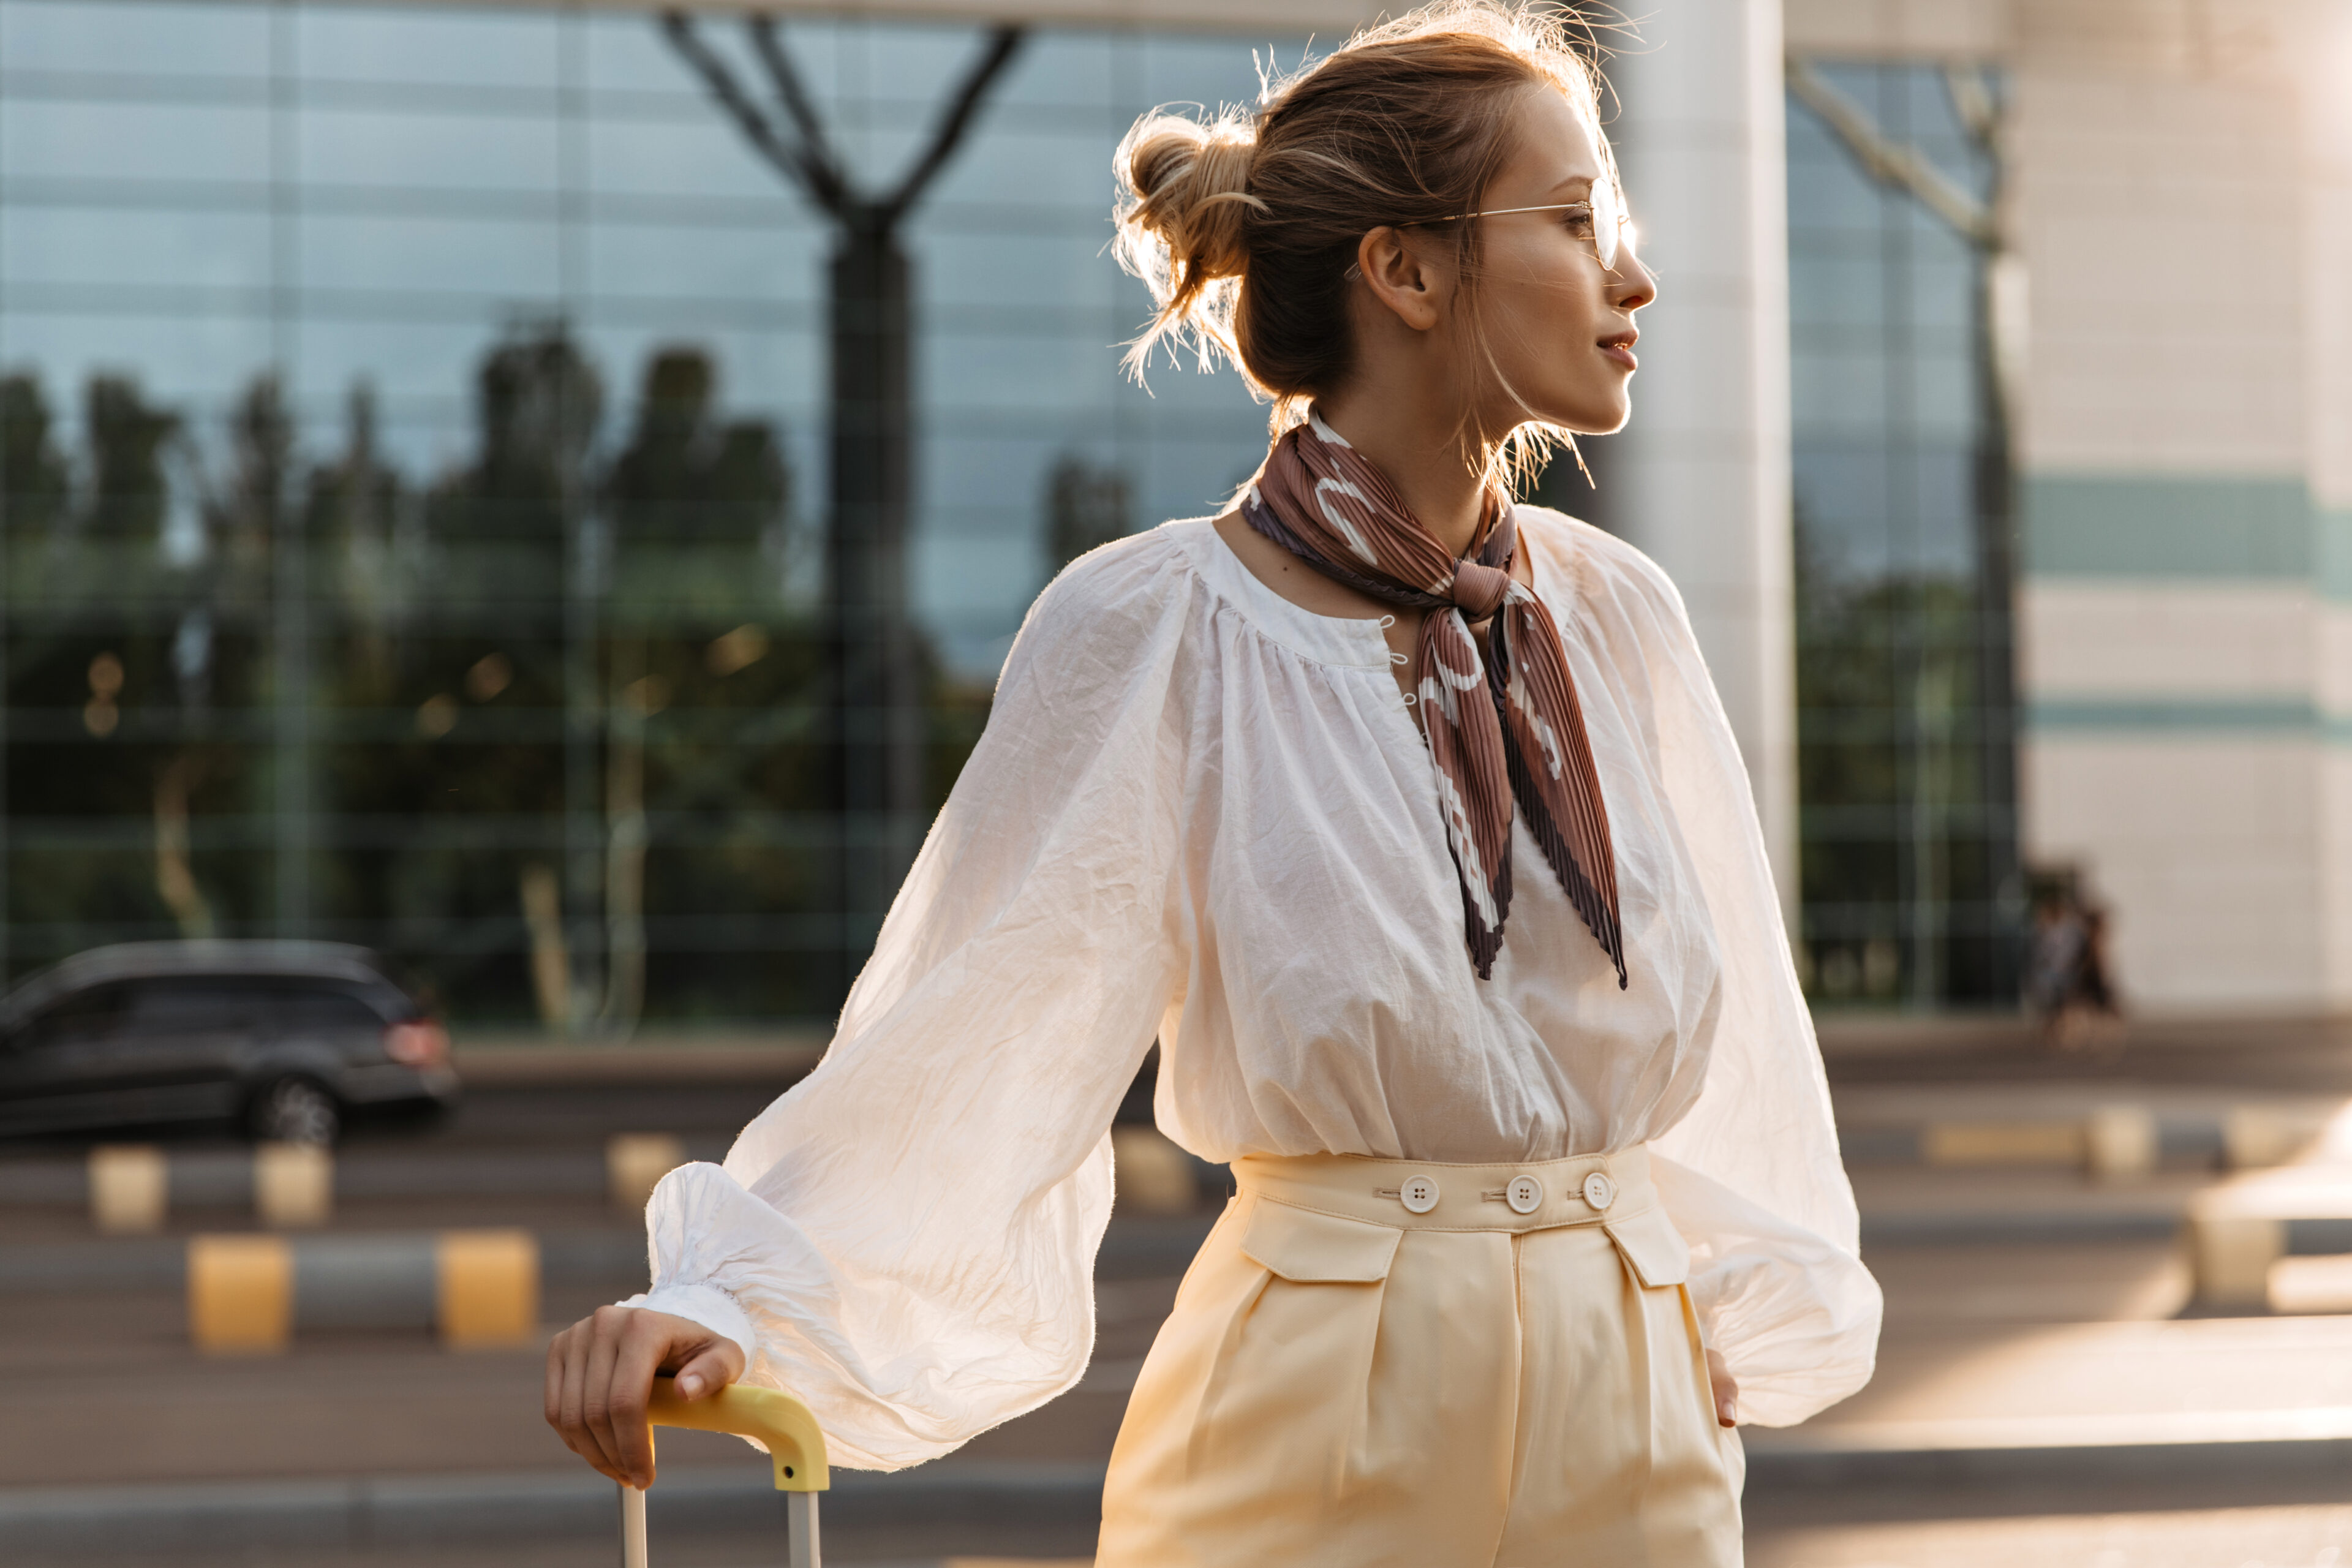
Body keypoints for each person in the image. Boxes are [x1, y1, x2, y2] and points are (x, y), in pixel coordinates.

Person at [547, 4, 1880, 1561]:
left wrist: (1723, 1311)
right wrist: (724, 1303)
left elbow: (1747, 1066)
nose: (1632, 274)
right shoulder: (1162, 627)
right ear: (1408, 268)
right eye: (1577, 221)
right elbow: (976, 1019)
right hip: (1315, 1418)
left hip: (1642, 1419)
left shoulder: (1616, 619)